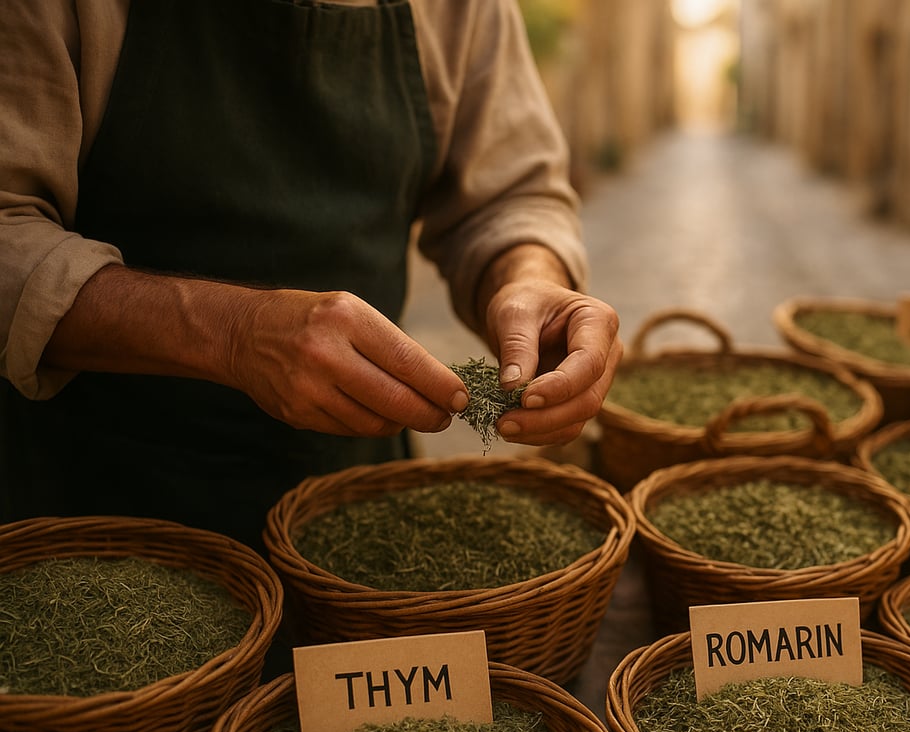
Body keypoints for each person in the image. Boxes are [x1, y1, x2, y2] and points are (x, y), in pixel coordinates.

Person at [0, 0, 622, 551]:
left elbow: (508, 193)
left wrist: (528, 276)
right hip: (105, 505)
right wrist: (234, 332)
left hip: (356, 486)